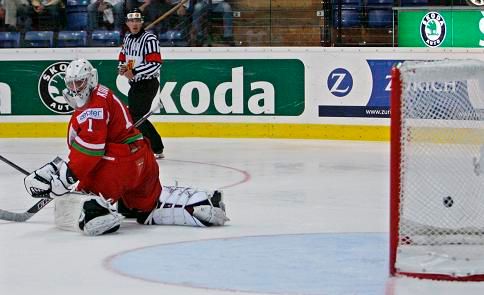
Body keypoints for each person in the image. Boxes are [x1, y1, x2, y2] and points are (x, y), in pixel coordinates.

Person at [23, 59, 229, 236]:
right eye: (72, 84)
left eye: (80, 82)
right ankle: (200, 203)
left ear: (91, 79)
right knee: (148, 205)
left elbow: (91, 152)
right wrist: (56, 171)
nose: (76, 89)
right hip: (140, 160)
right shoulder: (103, 93)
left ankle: (96, 214)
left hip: (116, 167)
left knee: (75, 203)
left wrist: (64, 178)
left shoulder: (92, 109)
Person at [118, 7, 165, 159]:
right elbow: (123, 57)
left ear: (142, 22)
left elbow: (156, 64)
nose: (135, 23)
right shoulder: (127, 38)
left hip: (147, 84)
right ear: (127, 23)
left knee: (135, 116)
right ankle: (150, 146)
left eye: (137, 20)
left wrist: (135, 71)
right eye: (132, 20)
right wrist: (123, 69)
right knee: (134, 116)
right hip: (135, 84)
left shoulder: (150, 39)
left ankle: (156, 147)